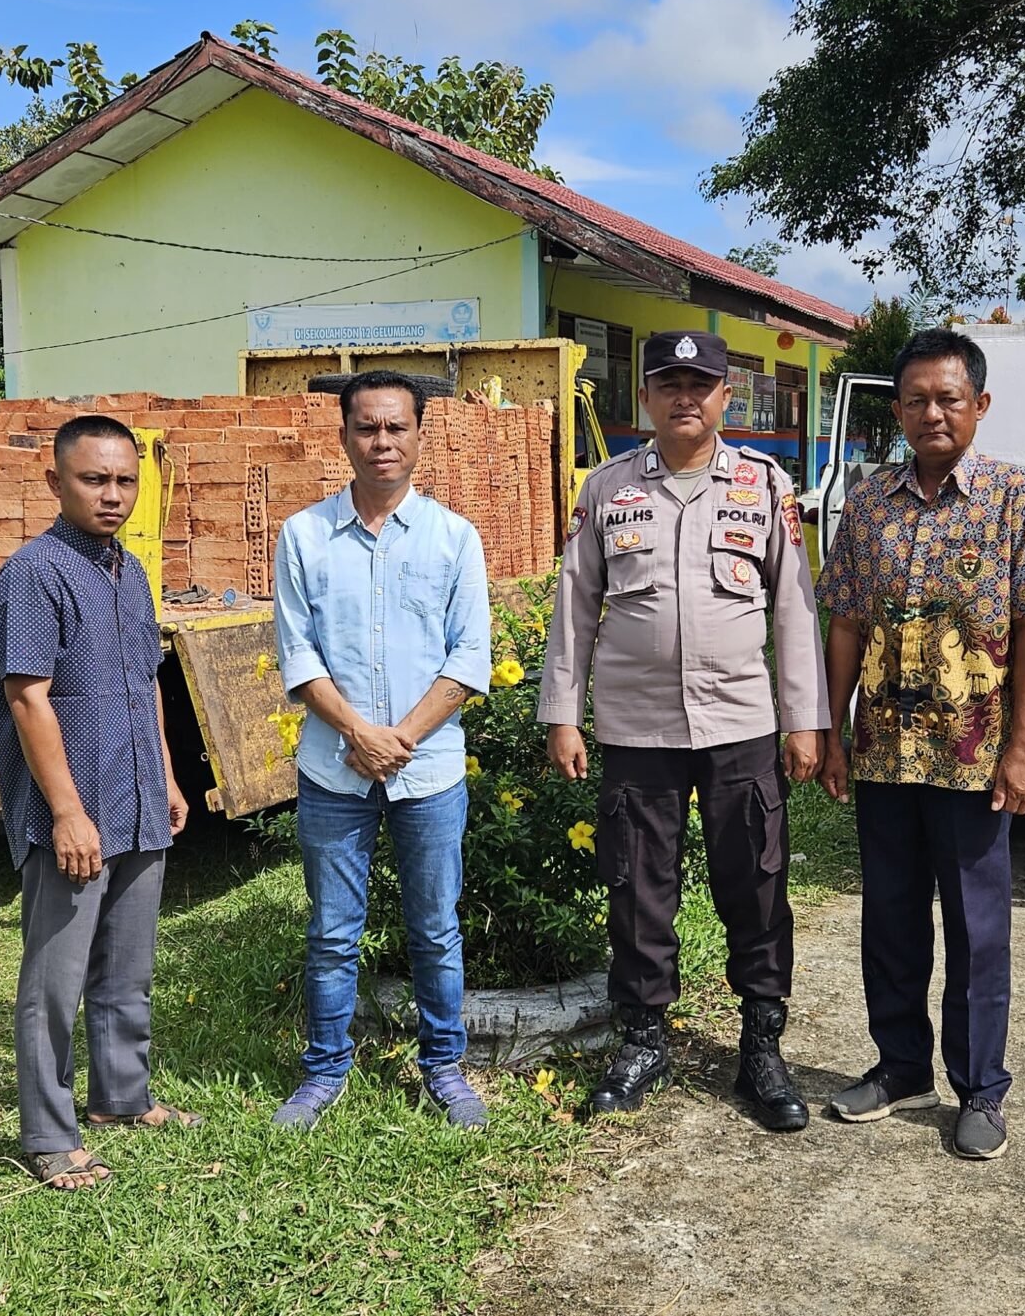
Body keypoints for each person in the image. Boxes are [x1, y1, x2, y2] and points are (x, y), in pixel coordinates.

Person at [538, 330, 830, 1132]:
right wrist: (564, 712)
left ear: (725, 396)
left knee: (758, 882)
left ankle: (762, 1046)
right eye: (668, 381)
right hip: (637, 727)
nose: (684, 397)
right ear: (646, 396)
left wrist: (805, 721)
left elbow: (795, 611)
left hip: (740, 722)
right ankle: (641, 1040)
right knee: (637, 887)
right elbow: (575, 608)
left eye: (700, 383)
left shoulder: (765, 487)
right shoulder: (605, 490)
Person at [817, 328, 1025, 1163]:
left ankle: (981, 1090)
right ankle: (899, 1069)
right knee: (890, 919)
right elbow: (845, 624)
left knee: (976, 928)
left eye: (949, 398)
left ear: (980, 406)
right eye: (917, 400)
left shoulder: (1015, 496)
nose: (933, 413)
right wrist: (830, 730)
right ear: (896, 411)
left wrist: (1023, 747)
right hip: (886, 750)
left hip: (975, 759)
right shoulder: (866, 503)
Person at [270, 371, 494, 1130]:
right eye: (367, 427)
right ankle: (324, 1070)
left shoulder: (454, 537)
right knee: (333, 929)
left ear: (419, 436)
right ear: (343, 438)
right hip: (334, 768)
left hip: (427, 771)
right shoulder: (303, 536)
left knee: (435, 926)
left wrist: (399, 738)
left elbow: (470, 658)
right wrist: (357, 732)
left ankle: (445, 1066)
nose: (382, 441)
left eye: (397, 427)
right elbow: (297, 657)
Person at [0, 415, 194, 1192]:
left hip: (138, 797)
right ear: (55, 483)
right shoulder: (34, 574)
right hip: (74, 808)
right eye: (94, 479)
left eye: (124, 481)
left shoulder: (129, 570)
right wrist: (69, 811)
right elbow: (29, 699)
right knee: (55, 976)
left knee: (128, 964)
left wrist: (168, 777)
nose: (113, 495)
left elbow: (146, 683)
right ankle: (48, 1132)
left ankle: (121, 1096)